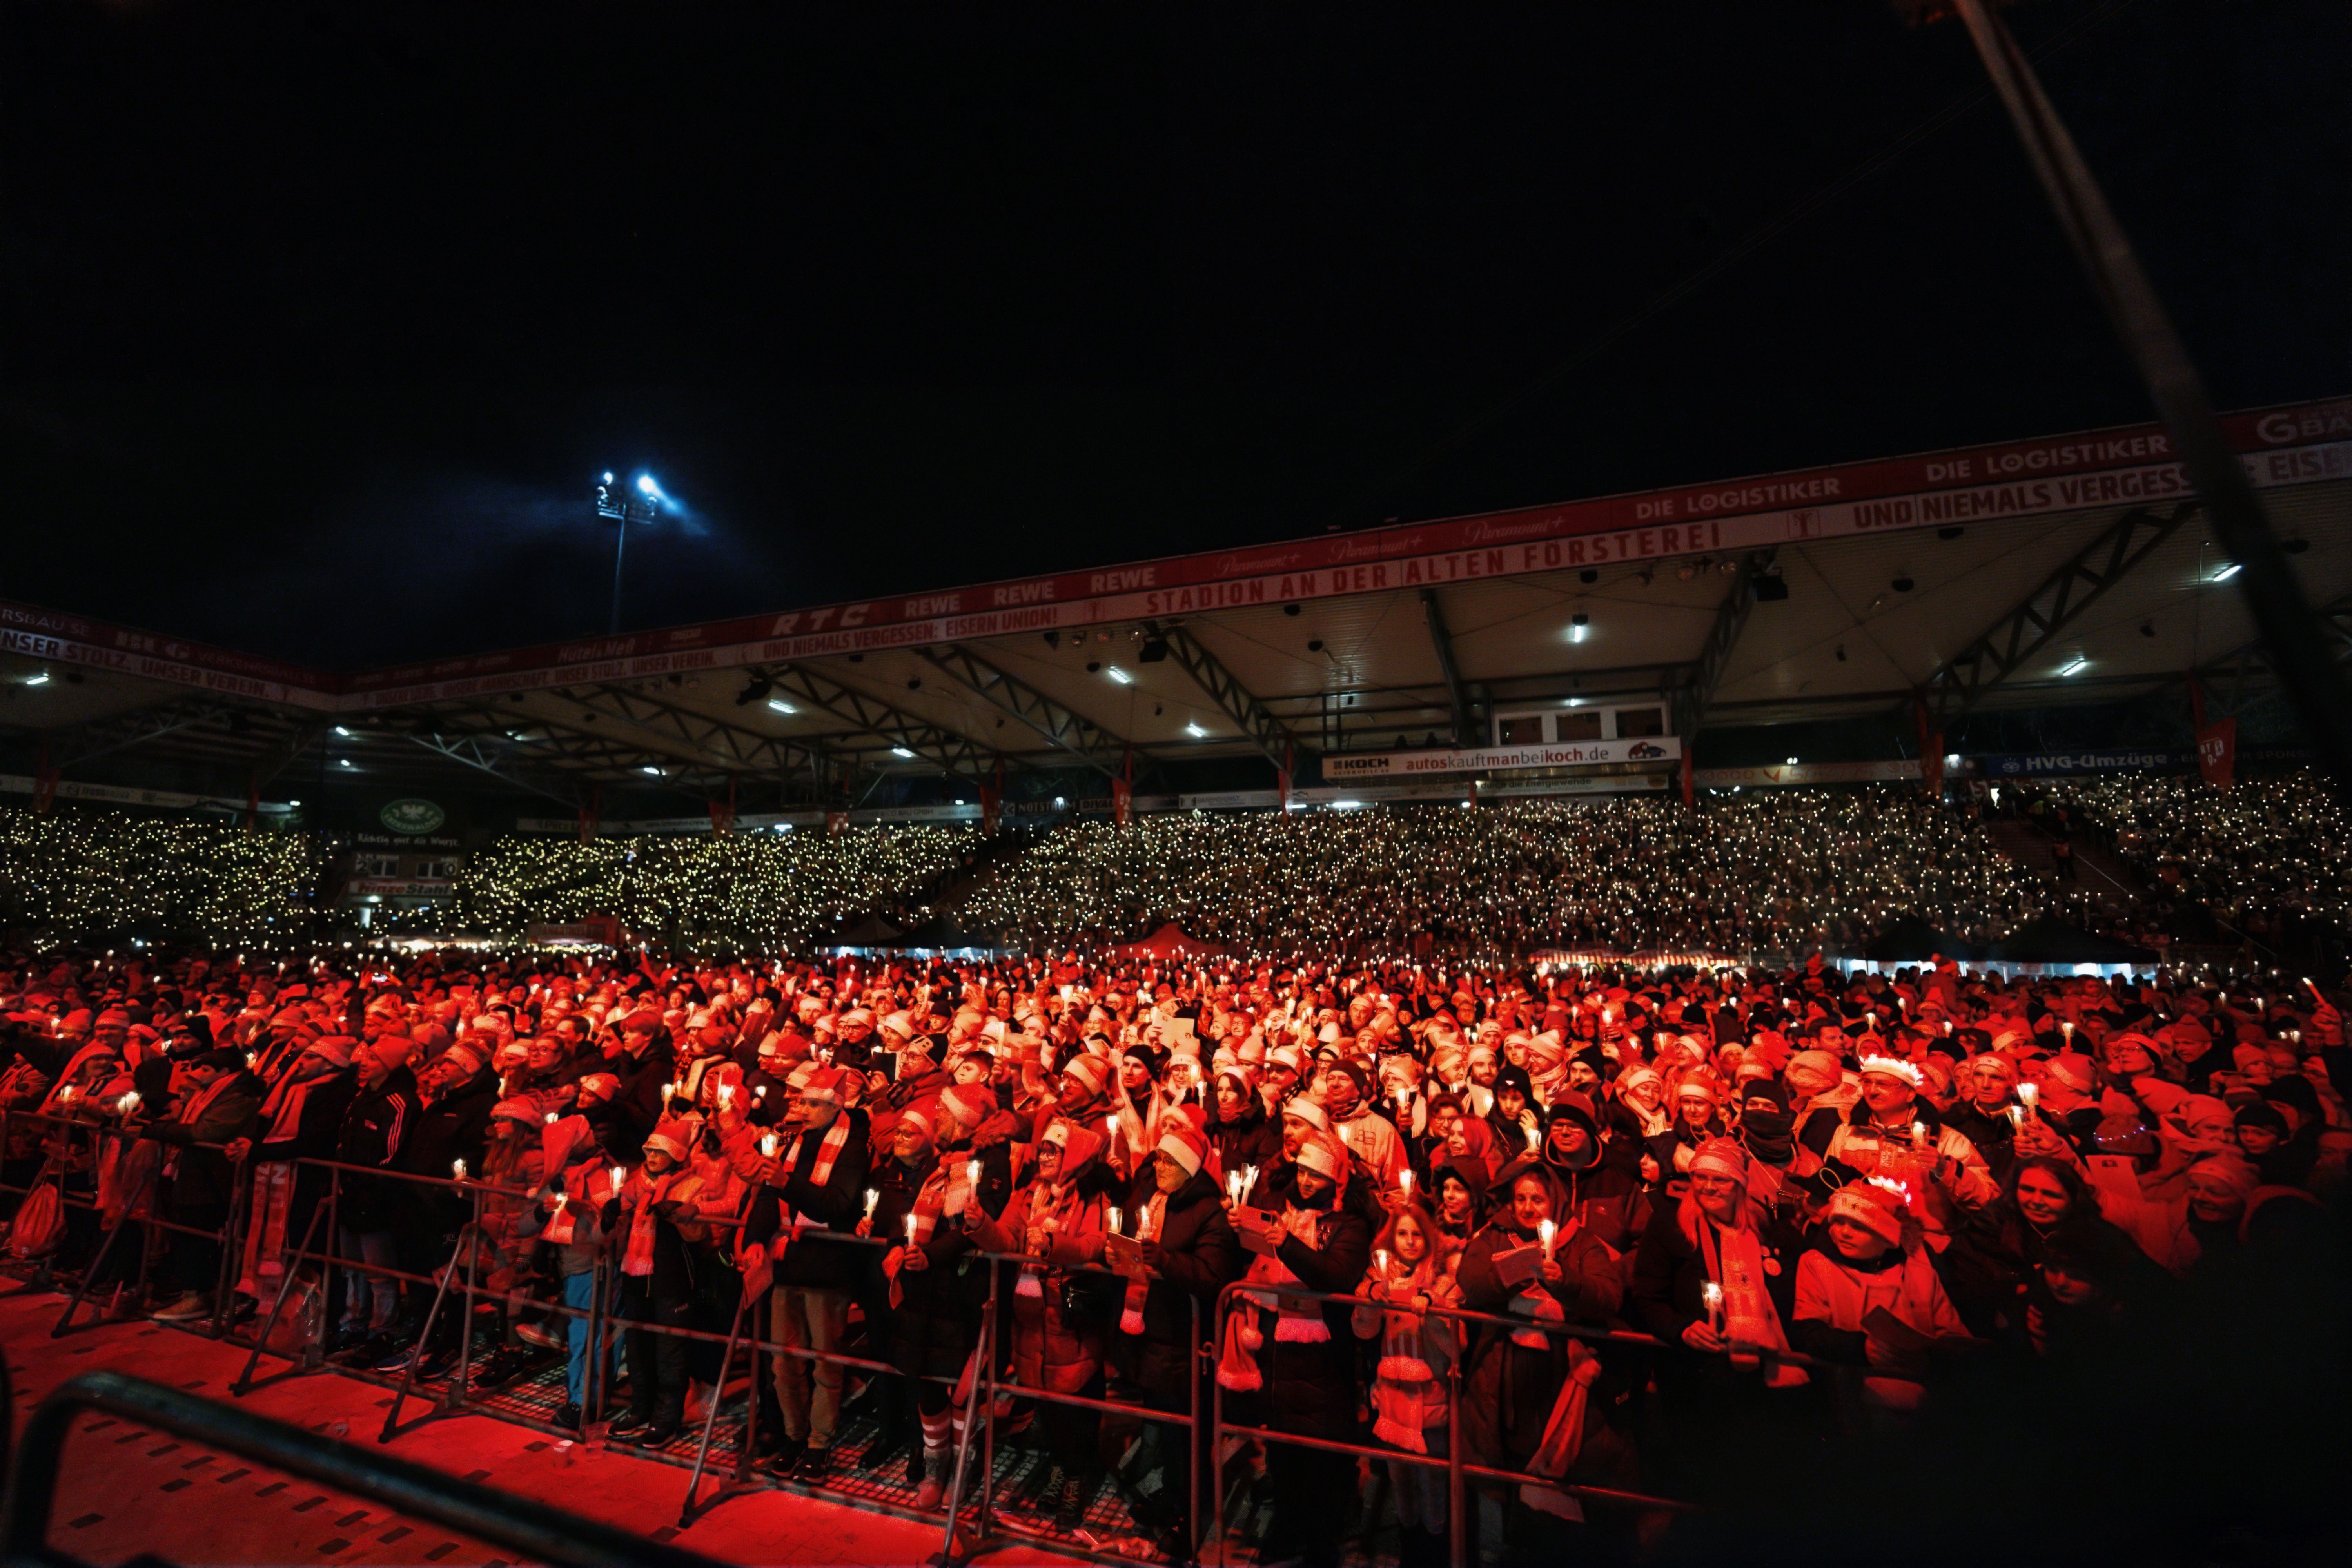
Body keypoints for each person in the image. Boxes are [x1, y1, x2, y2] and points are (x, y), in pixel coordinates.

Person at [1220, 1130, 1369, 1568]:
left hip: (1325, 1356)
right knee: (1283, 1449)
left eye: (1317, 1174)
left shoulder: (1349, 1224)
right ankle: (1285, 1529)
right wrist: (1241, 1231)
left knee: (1324, 1455)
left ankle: (1323, 1540)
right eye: (1303, 1171)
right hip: (1281, 1349)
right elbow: (1253, 1260)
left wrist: (1285, 1242)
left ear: (1336, 1178)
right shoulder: (1280, 1211)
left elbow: (1337, 1275)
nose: (1306, 1181)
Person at [965, 1117, 1112, 1529]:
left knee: (1074, 1411)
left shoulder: (1092, 1194)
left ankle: (1075, 1477)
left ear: (1075, 1155)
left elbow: (1096, 1243)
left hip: (1070, 1319)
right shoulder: (1031, 1191)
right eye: (1043, 1148)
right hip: (1031, 1317)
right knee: (1047, 1407)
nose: (1043, 1155)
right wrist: (980, 1225)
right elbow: (1010, 1237)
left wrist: (1053, 1245)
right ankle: (1058, 1469)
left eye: (1053, 1150)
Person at [1353, 1201, 1461, 1568]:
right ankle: (1409, 1545)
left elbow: (1454, 1346)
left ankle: (1435, 1549)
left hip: (1430, 1402)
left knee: (1433, 1482)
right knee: (1401, 1480)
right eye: (1403, 1233)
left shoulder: (1444, 1280)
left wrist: (1435, 1311)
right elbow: (1363, 1330)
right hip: (1393, 1397)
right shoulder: (1378, 1276)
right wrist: (1369, 1301)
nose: (1410, 1241)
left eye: (1417, 1234)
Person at [604, 1116, 710, 1448]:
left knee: (670, 1352)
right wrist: (611, 1208)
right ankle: (641, 1408)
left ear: (677, 1157)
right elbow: (623, 1203)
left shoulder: (693, 1185)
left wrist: (678, 1213)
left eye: (659, 1153)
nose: (650, 1158)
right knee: (638, 1347)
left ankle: (666, 1420)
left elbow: (698, 1234)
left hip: (671, 1279)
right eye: (649, 1151)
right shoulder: (638, 1183)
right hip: (636, 1276)